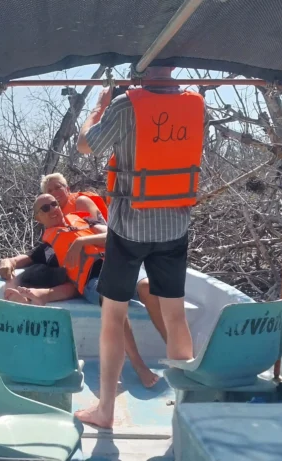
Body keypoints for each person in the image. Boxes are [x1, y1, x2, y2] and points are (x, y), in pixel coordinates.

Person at [73, 66, 202, 428]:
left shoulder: (125, 105)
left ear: (139, 72)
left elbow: (86, 145)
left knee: (112, 317)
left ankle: (105, 412)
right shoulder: (195, 104)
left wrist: (98, 107)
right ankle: (186, 412)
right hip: (175, 225)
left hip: (129, 228)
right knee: (176, 317)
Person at [0, 193, 168, 387]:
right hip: (93, 281)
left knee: (148, 287)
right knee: (112, 298)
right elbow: (24, 259)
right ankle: (139, 367)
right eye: (45, 208)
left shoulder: (85, 221)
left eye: (54, 204)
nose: (52, 209)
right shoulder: (47, 248)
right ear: (38, 218)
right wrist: (8, 261)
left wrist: (81, 242)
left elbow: (115, 238)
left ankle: (174, 350)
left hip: (119, 268)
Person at [40, 172, 109, 225]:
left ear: (67, 189)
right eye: (49, 191)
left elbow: (96, 233)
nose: (54, 193)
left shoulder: (81, 202)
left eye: (58, 187)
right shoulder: (52, 216)